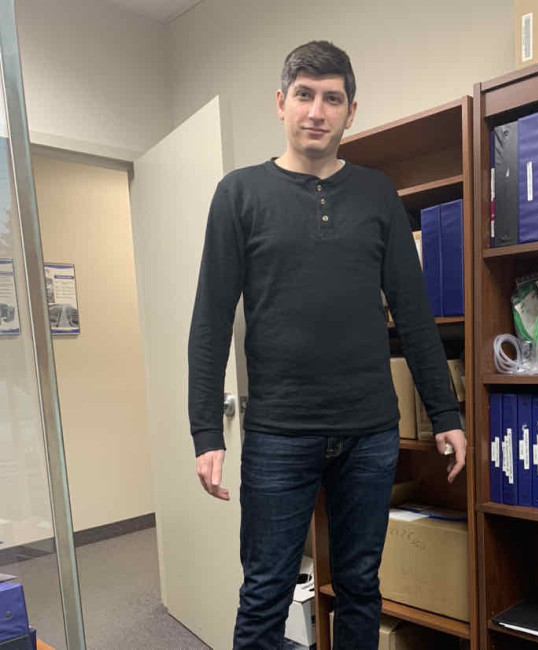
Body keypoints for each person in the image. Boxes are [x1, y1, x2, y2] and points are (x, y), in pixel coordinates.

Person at [188, 40, 466, 650]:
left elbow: (414, 315)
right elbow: (210, 319)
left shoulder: (378, 195)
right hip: (279, 433)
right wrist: (206, 430)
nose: (317, 111)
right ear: (281, 103)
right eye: (305, 95)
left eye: (332, 99)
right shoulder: (239, 194)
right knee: (264, 594)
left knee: (361, 586)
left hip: (370, 432)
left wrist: (445, 413)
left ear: (350, 111)